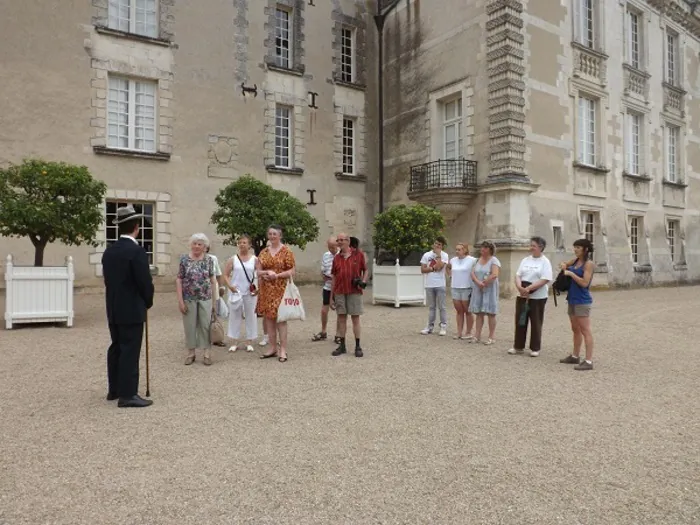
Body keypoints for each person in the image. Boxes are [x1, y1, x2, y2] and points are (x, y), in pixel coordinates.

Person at [102, 204, 155, 408]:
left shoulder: (109, 252)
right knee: (130, 350)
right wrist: (148, 301)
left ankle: (114, 389)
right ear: (136, 227)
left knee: (116, 346)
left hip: (113, 307)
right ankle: (128, 394)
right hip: (132, 308)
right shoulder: (136, 251)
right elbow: (144, 282)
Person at [256, 225, 296, 363]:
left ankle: (283, 349)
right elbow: (258, 271)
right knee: (269, 319)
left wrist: (277, 276)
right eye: (270, 234)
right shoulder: (264, 252)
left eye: (275, 234)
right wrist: (266, 273)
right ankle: (272, 348)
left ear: (280, 235)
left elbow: (292, 271)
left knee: (281, 320)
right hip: (266, 289)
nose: (272, 236)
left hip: (281, 289)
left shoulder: (286, 251)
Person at [177, 233, 218, 366]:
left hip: (205, 297)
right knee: (189, 326)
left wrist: (214, 301)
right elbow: (179, 279)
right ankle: (191, 353)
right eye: (194, 243)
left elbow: (213, 280)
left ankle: (206, 353)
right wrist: (180, 301)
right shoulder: (184, 260)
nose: (196, 246)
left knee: (205, 325)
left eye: (199, 244)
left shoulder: (209, 260)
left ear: (204, 247)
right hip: (188, 298)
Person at [509, 236, 553, 357]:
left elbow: (545, 279)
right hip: (523, 295)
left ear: (541, 247)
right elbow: (518, 275)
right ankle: (518, 346)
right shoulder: (525, 260)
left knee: (536, 321)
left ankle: (535, 347)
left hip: (538, 297)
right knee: (520, 321)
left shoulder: (545, 262)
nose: (531, 248)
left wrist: (529, 288)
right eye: (531, 245)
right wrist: (519, 287)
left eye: (534, 246)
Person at [559, 239, 596, 370]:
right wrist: (563, 265)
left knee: (585, 330)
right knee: (575, 329)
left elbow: (585, 283)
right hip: (572, 299)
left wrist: (571, 273)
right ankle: (575, 356)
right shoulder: (575, 261)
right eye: (575, 247)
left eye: (578, 247)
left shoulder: (588, 264)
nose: (575, 250)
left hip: (582, 300)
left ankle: (589, 361)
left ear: (585, 249)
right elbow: (563, 264)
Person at [330, 232, 368, 357]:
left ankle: (358, 345)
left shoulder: (358, 255)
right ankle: (342, 345)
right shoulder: (336, 258)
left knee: (355, 318)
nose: (339, 242)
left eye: (342, 240)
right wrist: (332, 296)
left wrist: (363, 281)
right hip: (340, 291)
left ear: (348, 241)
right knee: (341, 319)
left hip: (354, 291)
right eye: (338, 240)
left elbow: (366, 269)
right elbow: (334, 277)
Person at [223, 234, 258, 353]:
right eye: (240, 242)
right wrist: (230, 286)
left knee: (251, 316)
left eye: (244, 242)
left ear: (249, 245)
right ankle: (234, 341)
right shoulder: (233, 259)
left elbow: (260, 275)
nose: (242, 244)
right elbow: (226, 275)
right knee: (234, 316)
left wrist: (258, 287)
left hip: (250, 292)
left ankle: (249, 341)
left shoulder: (255, 259)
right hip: (236, 291)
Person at [469, 241, 501, 345]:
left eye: (485, 248)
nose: (482, 249)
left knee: (491, 313)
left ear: (490, 250)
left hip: (490, 289)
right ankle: (477, 335)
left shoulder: (494, 260)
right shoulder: (477, 260)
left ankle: (491, 337)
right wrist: (478, 282)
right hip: (478, 288)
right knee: (479, 313)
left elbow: (495, 274)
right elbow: (472, 273)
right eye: (482, 247)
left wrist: (485, 282)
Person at [420, 236, 449, 336]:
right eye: (436, 243)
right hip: (429, 284)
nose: (436, 245)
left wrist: (438, 255)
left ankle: (443, 326)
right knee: (432, 307)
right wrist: (432, 268)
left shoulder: (445, 255)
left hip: (440, 284)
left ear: (442, 246)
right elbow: (423, 270)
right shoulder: (426, 255)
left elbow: (440, 267)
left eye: (439, 244)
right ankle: (429, 327)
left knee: (442, 307)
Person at [447, 242, 477, 340]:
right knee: (459, 310)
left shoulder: (472, 260)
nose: (457, 251)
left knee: (467, 310)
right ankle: (459, 332)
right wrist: (450, 275)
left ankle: (468, 332)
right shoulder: (453, 260)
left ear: (465, 250)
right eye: (456, 249)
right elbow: (448, 267)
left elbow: (479, 268)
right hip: (455, 287)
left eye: (459, 249)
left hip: (466, 287)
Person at [312, 236, 339, 343]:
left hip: (338, 287)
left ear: (337, 245)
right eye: (329, 247)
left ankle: (338, 334)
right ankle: (323, 331)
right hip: (327, 286)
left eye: (333, 247)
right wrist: (325, 276)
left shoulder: (341, 255)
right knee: (324, 311)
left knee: (339, 312)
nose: (331, 249)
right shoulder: (326, 255)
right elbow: (322, 271)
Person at [206, 245, 226, 347]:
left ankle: (217, 337)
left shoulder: (213, 258)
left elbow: (218, 274)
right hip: (201, 290)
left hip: (214, 289)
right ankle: (204, 338)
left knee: (216, 312)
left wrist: (221, 287)